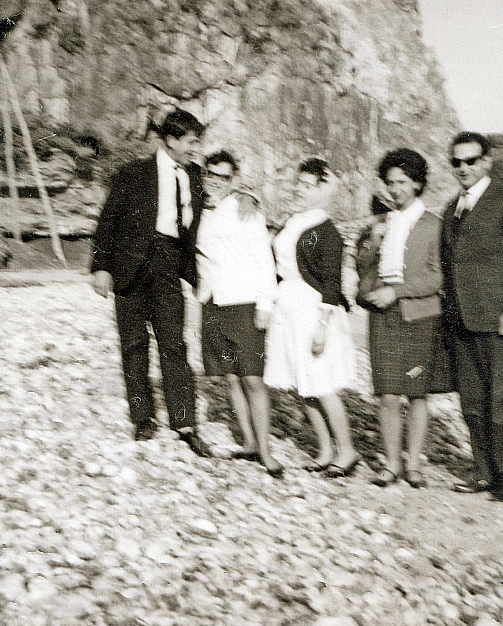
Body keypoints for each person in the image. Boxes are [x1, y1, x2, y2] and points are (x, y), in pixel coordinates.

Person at [91, 109, 211, 457]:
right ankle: (142, 418)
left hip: (169, 265)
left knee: (174, 345)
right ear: (171, 140)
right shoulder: (133, 173)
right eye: (191, 142)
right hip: (130, 266)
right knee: (133, 344)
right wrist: (101, 267)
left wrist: (249, 197)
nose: (196, 149)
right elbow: (108, 221)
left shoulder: (196, 176)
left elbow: (219, 199)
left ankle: (185, 424)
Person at [440, 131, 503, 500]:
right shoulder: (451, 208)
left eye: (471, 160)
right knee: (472, 402)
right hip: (461, 321)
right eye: (456, 162)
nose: (463, 168)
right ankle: (483, 472)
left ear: (486, 161)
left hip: (500, 320)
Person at [263, 158, 360, 477]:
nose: (299, 190)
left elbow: (332, 284)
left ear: (322, 190)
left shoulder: (326, 230)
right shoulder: (294, 220)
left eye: (308, 185)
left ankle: (347, 450)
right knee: (303, 383)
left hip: (314, 310)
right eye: (299, 183)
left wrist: (321, 327)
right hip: (288, 306)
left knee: (322, 383)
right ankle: (325, 450)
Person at [356, 149, 443, 488]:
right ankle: (392, 464)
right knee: (388, 394)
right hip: (383, 316)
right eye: (390, 183)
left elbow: (437, 277)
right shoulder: (380, 223)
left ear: (417, 184)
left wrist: (397, 291)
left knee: (416, 393)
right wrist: (372, 244)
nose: (395, 190)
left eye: (402, 182)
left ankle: (414, 465)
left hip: (420, 317)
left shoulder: (433, 225)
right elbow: (362, 270)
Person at [196, 150, 283, 476]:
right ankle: (248, 442)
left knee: (253, 378)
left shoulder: (247, 211)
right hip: (211, 302)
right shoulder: (198, 208)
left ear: (233, 180)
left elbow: (264, 259)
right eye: (210, 174)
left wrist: (265, 303)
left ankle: (266, 451)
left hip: (244, 302)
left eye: (223, 176)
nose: (215, 181)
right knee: (231, 377)